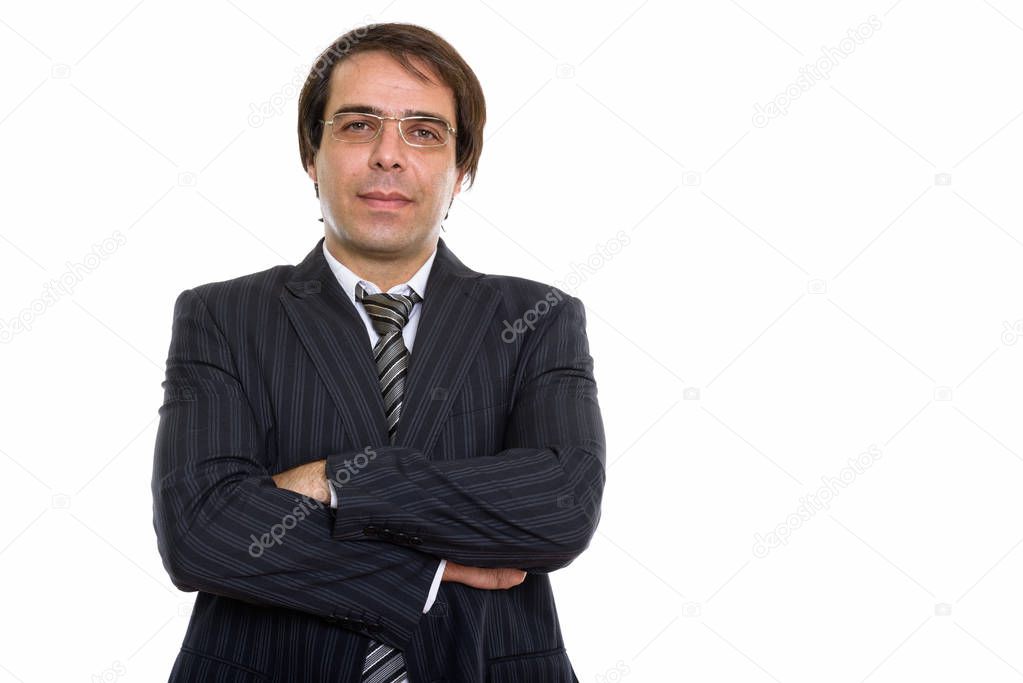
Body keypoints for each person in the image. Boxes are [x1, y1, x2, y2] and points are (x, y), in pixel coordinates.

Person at [152, 22, 605, 682]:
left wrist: (339, 479)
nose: (388, 155)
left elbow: (559, 509)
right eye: (359, 125)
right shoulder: (223, 316)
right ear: (312, 154)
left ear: (461, 167)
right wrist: (428, 570)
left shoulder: (535, 319)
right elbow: (202, 532)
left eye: (424, 131)